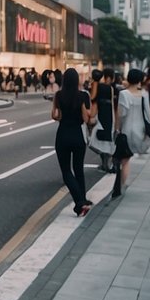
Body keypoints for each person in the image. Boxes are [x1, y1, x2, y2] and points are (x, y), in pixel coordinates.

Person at [52, 68, 94, 216]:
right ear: (77, 80)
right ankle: (83, 200)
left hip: (63, 135)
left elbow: (55, 115)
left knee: (66, 171)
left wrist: (63, 115)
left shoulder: (58, 95)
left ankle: (80, 202)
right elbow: (86, 118)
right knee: (78, 169)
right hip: (78, 136)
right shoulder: (83, 96)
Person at [113, 68, 150, 198]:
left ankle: (122, 186)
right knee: (127, 159)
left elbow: (121, 114)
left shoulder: (124, 94)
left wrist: (117, 129)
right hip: (140, 130)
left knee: (124, 160)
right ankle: (122, 184)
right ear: (140, 80)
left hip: (126, 130)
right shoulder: (144, 94)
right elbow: (148, 113)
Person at [90, 68, 117, 173]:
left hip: (100, 113)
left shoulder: (97, 85)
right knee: (106, 138)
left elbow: (93, 98)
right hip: (109, 115)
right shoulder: (111, 88)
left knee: (96, 139)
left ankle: (104, 163)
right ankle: (106, 162)